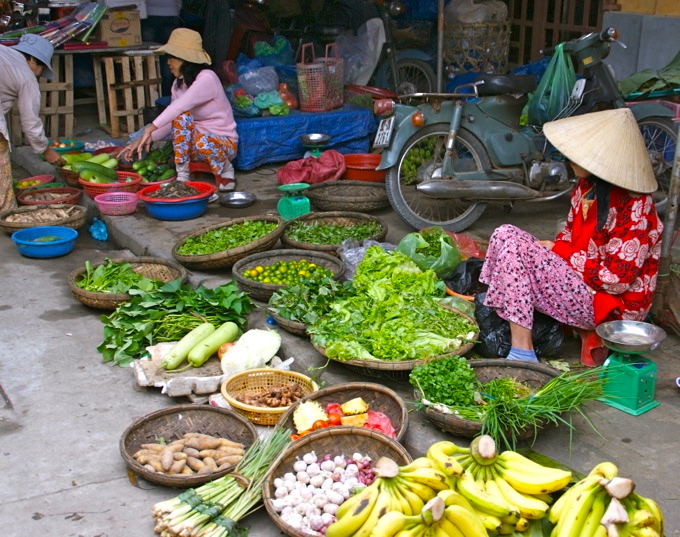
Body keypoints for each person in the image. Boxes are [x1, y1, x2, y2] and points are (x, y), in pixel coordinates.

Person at [479, 108, 663, 362]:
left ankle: (523, 352)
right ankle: (507, 313)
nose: (569, 159)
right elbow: (568, 235)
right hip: (581, 282)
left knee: (514, 248)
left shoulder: (635, 206)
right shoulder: (586, 188)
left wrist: (558, 250)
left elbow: (616, 280)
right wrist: (555, 249)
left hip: (610, 306)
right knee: (505, 233)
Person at [119, 28, 239, 192]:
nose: (168, 62)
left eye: (172, 57)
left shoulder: (207, 78)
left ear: (185, 59)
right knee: (180, 119)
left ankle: (226, 169)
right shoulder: (178, 84)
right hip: (195, 145)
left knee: (199, 137)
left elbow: (180, 106)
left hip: (222, 145)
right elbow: (172, 120)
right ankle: (183, 176)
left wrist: (150, 128)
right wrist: (143, 139)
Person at [0, 33, 65, 211]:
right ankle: (6, 215)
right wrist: (45, 149)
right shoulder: (26, 76)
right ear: (32, 60)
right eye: (42, 67)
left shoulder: (4, 52)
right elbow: (30, 120)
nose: (40, 74)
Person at [141, 0, 181, 96]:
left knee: (146, 57)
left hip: (149, 12)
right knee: (167, 57)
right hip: (171, 12)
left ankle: (149, 96)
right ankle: (167, 95)